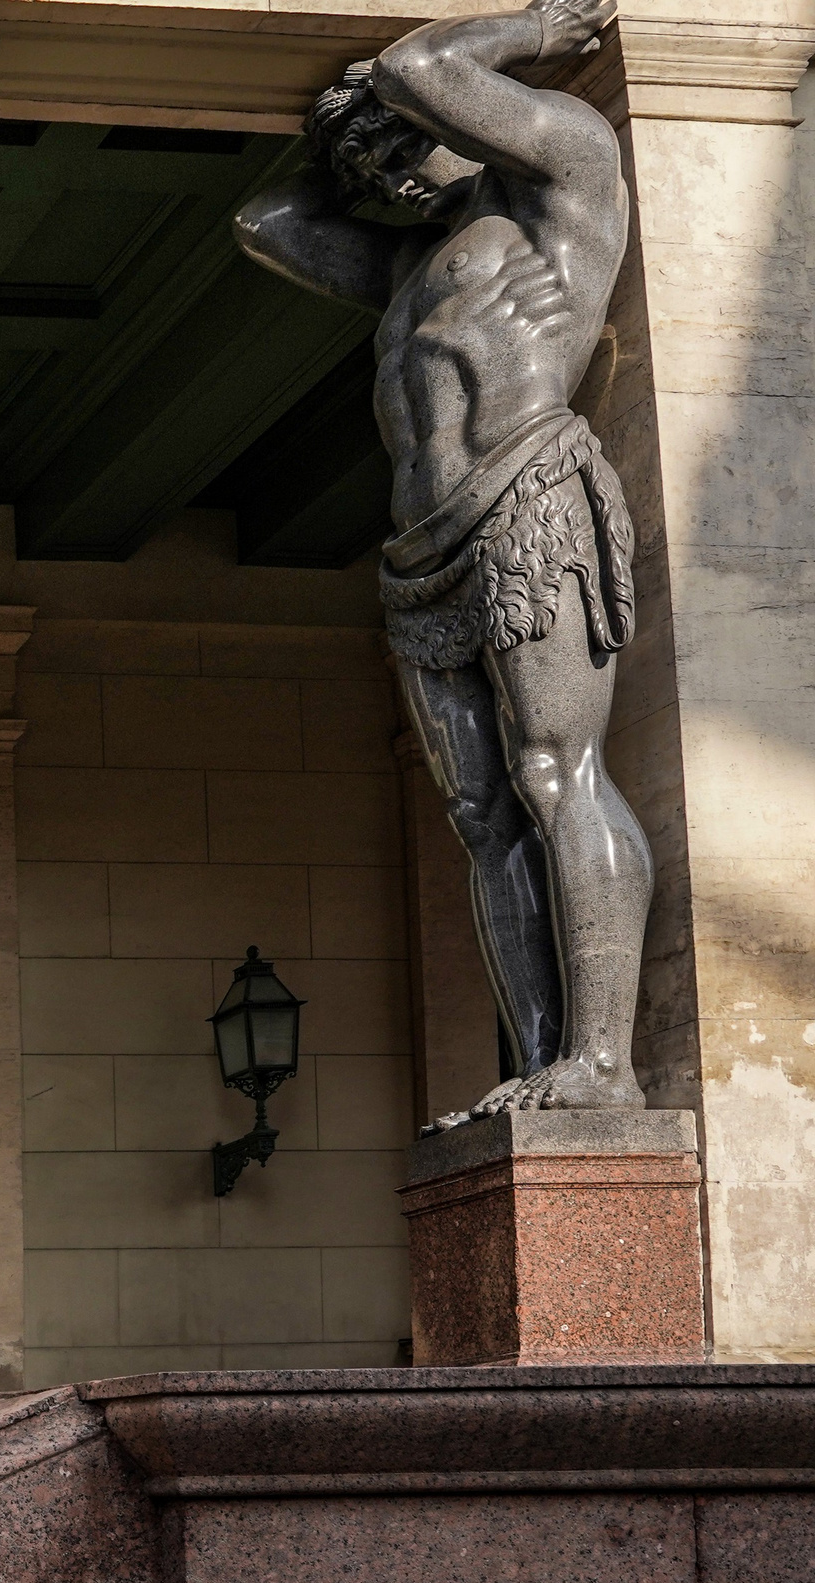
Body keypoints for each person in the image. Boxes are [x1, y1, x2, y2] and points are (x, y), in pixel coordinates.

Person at [233, 0, 645, 1130]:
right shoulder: (413, 260)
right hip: (421, 547)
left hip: (525, 491)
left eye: (397, 141)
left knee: (557, 770)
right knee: (478, 811)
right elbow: (268, 220)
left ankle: (603, 1064)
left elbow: (420, 59)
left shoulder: (564, 169)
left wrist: (523, 28)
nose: (387, 176)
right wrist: (346, 132)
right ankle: (540, 1061)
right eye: (367, 161)